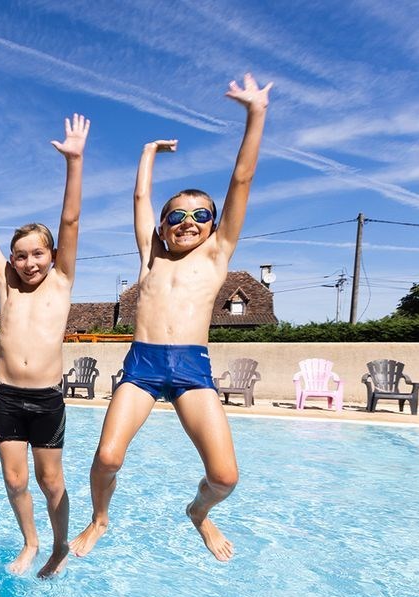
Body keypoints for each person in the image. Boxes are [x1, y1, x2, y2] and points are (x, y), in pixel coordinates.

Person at [69, 74, 272, 563]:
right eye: (177, 216)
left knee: (225, 477)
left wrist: (255, 114)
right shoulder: (151, 259)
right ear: (162, 227)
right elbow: (140, 201)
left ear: (214, 225)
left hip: (191, 368)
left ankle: (199, 513)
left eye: (201, 216)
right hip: (141, 365)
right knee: (107, 457)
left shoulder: (217, 255)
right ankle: (99, 519)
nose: (189, 223)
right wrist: (148, 153)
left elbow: (241, 179)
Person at [0, 114, 90, 578]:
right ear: (12, 259)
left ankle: (59, 544)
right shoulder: (5, 286)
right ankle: (30, 541)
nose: (29, 262)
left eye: (38, 253)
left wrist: (75, 161)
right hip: (6, 396)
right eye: (21, 255)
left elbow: (70, 219)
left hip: (46, 398)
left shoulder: (62, 280)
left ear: (52, 256)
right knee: (14, 479)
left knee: (50, 480)